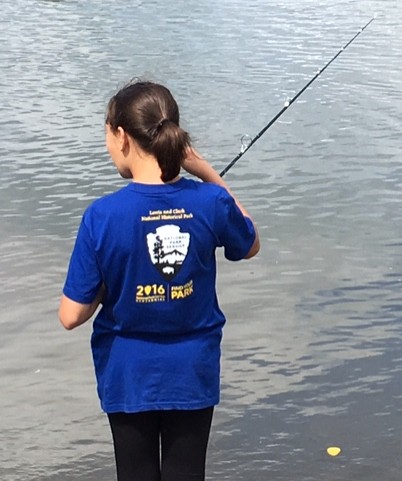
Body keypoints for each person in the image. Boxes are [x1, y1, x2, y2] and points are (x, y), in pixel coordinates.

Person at [58, 80, 260, 481]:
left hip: (128, 374)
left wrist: (107, 283)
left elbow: (70, 315)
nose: (108, 145)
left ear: (122, 136)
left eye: (107, 133)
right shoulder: (210, 202)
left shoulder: (102, 216)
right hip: (192, 370)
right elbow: (250, 243)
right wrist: (206, 173)